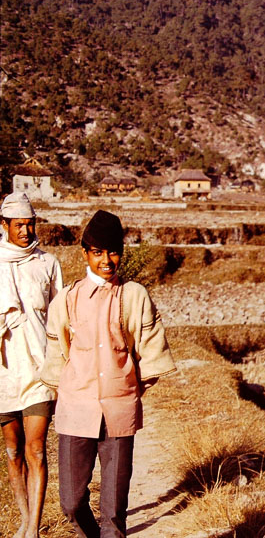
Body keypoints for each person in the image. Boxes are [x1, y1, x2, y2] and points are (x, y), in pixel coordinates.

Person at [40, 210, 175, 538]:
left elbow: (151, 353)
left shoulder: (134, 296)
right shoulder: (67, 299)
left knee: (113, 513)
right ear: (85, 253)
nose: (106, 261)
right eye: (98, 252)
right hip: (76, 411)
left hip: (118, 412)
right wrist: (72, 390)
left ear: (121, 253)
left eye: (113, 252)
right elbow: (57, 355)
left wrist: (127, 391)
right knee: (71, 503)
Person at [1, 193, 63, 538]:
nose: (25, 231)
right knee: (13, 451)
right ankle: (24, 521)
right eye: (18, 225)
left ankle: (34, 529)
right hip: (4, 372)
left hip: (40, 368)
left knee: (35, 448)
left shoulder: (48, 263)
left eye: (30, 224)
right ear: (4, 225)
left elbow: (60, 318)